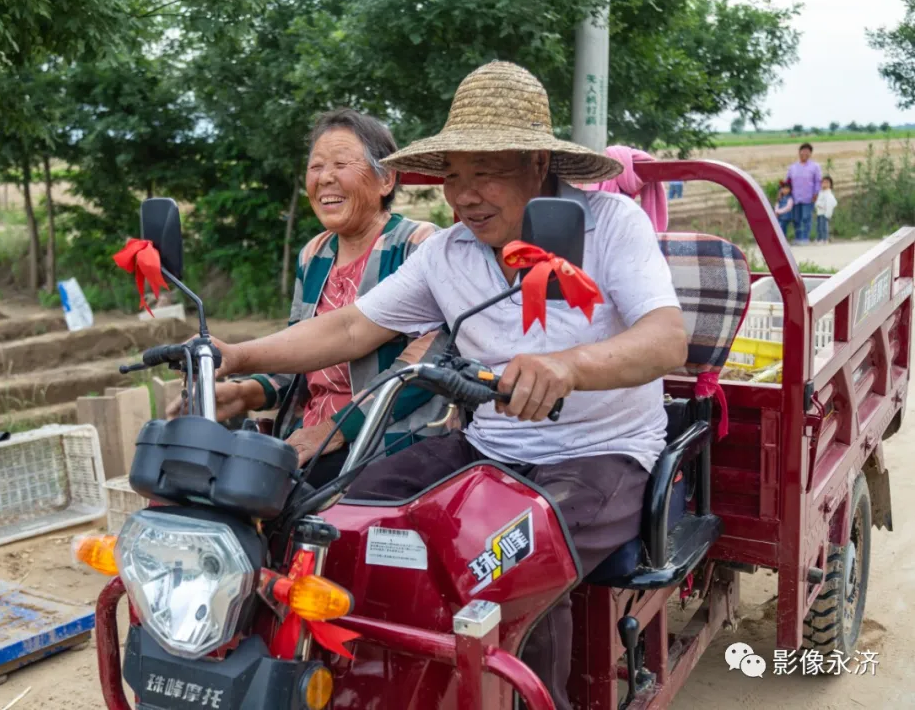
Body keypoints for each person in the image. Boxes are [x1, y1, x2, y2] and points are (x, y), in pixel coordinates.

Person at [208, 62, 687, 709]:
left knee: (505, 569)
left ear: (539, 162)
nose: (465, 195)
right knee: (340, 521)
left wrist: (568, 366)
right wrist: (236, 356)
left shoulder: (609, 225)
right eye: (453, 176)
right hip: (487, 448)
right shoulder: (449, 252)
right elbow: (351, 328)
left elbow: (665, 339)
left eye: (484, 171)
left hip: (597, 456)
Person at [168, 108, 451, 488]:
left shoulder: (419, 245)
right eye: (316, 166)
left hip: (389, 441)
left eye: (340, 164)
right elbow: (299, 363)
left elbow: (426, 367)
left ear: (386, 179)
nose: (325, 178)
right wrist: (244, 392)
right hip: (310, 438)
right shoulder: (314, 254)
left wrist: (336, 428)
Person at [785, 142, 822, 245]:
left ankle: (805, 238)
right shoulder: (793, 167)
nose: (804, 154)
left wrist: (816, 193)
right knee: (796, 218)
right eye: (803, 151)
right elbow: (787, 181)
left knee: (806, 218)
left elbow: (818, 181)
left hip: (808, 197)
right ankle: (798, 238)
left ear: (810, 154)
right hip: (795, 197)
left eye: (807, 152)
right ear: (799, 152)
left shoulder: (815, 167)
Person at [814, 175, 838, 244]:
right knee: (819, 227)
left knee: (824, 227)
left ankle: (825, 239)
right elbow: (818, 201)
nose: (824, 184)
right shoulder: (821, 192)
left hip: (825, 213)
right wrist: (818, 205)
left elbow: (833, 203)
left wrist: (828, 213)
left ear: (830, 184)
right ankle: (819, 238)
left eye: (827, 183)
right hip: (819, 213)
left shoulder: (829, 194)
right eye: (823, 182)